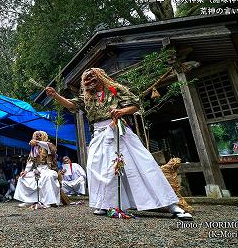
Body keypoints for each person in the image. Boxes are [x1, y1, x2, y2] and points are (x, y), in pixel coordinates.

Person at [46, 67, 193, 220]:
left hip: (119, 130)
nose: (88, 80)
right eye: (85, 79)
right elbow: (71, 105)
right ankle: (105, 204)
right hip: (99, 134)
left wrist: (122, 112)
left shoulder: (115, 89)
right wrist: (56, 95)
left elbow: (136, 105)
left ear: (100, 76)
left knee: (142, 165)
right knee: (97, 168)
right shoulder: (86, 96)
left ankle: (171, 204)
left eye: (91, 77)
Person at [14, 131, 60, 208]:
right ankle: (29, 200)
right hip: (38, 170)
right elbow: (30, 162)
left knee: (47, 177)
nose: (37, 136)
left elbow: (50, 148)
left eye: (39, 135)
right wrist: (25, 171)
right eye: (36, 136)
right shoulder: (34, 149)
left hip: (49, 170)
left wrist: (37, 142)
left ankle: (47, 201)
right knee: (22, 178)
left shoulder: (48, 145)